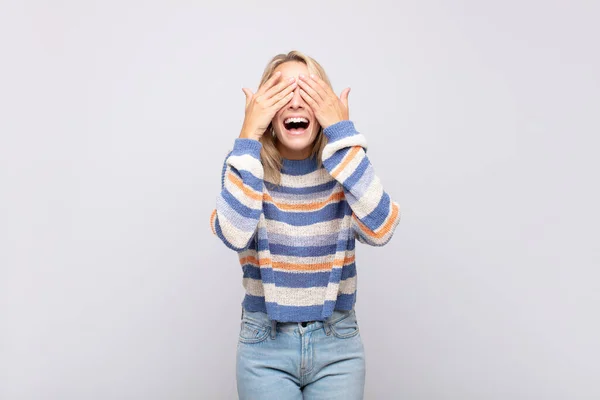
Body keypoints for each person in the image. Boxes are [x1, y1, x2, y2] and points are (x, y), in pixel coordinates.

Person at [210, 50, 401, 399]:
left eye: (308, 93)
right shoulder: (245, 164)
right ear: (266, 109)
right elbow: (234, 233)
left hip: (337, 346)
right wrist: (247, 134)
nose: (296, 103)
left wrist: (342, 133)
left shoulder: (346, 164)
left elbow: (382, 226)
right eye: (282, 94)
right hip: (264, 344)